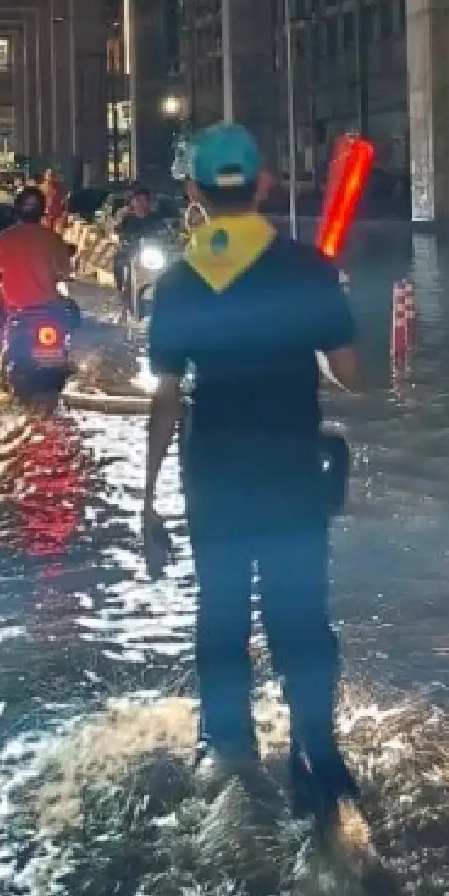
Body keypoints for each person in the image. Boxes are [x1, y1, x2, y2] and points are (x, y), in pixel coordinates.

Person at [142, 122, 362, 821]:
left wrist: (146, 501)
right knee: (299, 610)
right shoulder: (307, 267)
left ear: (195, 192)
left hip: (215, 469)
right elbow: (353, 376)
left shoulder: (179, 281)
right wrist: (328, 319)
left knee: (223, 609)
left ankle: (228, 748)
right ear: (264, 183)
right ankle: (315, 747)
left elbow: (168, 396)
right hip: (294, 463)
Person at [0, 184, 75, 323]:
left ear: (17, 210)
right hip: (48, 306)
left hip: (14, 307)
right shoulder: (53, 238)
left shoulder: (6, 237)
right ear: (42, 211)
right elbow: (66, 271)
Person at [112, 182, 162, 305]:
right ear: (132, 202)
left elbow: (165, 233)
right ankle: (121, 290)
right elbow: (118, 232)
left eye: (144, 200)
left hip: (152, 253)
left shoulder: (157, 218)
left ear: (150, 203)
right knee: (119, 259)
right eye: (137, 200)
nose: (141, 203)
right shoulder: (127, 219)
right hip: (131, 251)